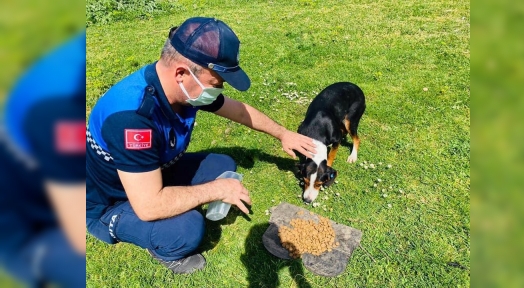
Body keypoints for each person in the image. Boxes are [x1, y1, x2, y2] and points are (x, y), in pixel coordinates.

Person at [86, 17, 316, 274]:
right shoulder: (132, 119)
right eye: (216, 83)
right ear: (182, 73)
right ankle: (159, 245)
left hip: (154, 172)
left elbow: (239, 111)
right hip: (115, 201)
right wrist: (215, 190)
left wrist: (283, 133)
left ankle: (176, 197)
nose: (219, 90)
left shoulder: (183, 89)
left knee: (223, 165)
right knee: (187, 230)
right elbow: (148, 205)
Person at [0, 32, 85, 287]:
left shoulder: (70, 73)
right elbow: (79, 234)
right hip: (28, 225)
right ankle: (33, 259)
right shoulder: (60, 107)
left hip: (50, 182)